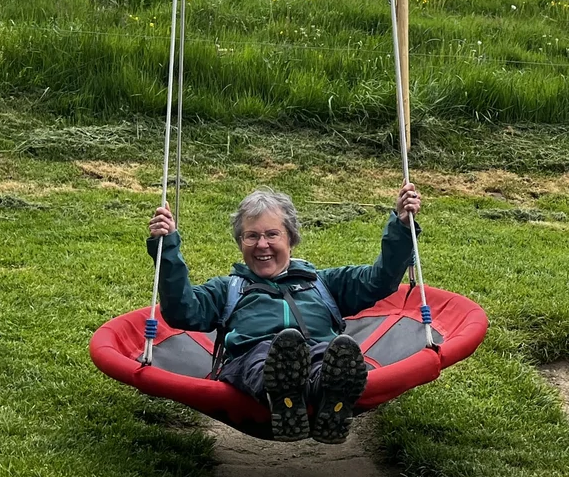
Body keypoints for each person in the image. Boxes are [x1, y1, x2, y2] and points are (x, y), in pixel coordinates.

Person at [147, 184, 422, 444]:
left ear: (290, 238)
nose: (261, 244)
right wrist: (166, 247)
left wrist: (401, 225)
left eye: (271, 234)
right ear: (240, 243)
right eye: (251, 236)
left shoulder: (322, 283)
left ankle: (327, 397)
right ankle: (281, 392)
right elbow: (182, 311)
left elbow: (380, 281)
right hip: (251, 358)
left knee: (329, 355)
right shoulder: (228, 289)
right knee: (267, 357)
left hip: (317, 351)